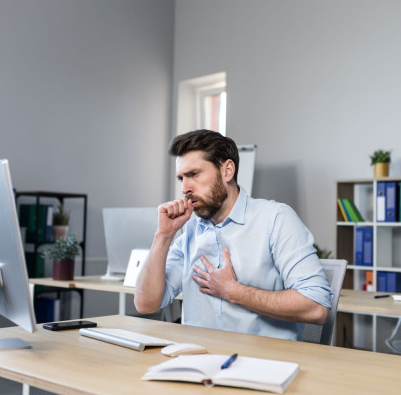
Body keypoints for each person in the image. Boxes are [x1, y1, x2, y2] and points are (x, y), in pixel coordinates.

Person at [134, 129, 333, 340]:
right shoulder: (189, 232)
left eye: (193, 174)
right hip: (198, 360)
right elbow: (146, 304)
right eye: (181, 178)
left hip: (264, 364)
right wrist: (164, 235)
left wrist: (233, 292)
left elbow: (316, 307)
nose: (184, 188)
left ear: (227, 171)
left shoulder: (275, 219)